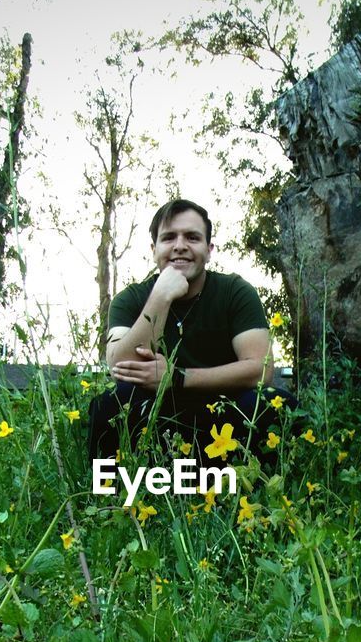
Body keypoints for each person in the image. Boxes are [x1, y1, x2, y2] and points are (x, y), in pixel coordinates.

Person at [87, 198, 297, 464]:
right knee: (109, 403)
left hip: (223, 417)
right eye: (169, 238)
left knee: (276, 403)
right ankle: (115, 497)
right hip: (156, 417)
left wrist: (177, 377)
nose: (180, 246)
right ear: (154, 249)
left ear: (209, 250)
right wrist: (160, 297)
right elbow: (122, 366)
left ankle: (248, 494)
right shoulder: (131, 298)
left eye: (192, 237)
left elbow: (261, 370)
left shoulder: (235, 291)